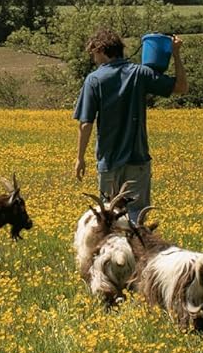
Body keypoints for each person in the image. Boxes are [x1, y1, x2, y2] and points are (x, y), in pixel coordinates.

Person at [73, 28, 186, 224]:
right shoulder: (140, 73)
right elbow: (181, 87)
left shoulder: (94, 79)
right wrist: (175, 54)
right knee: (136, 217)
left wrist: (80, 158)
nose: (93, 58)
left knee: (110, 219)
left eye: (93, 53)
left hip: (109, 161)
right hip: (138, 159)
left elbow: (85, 124)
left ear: (101, 50)